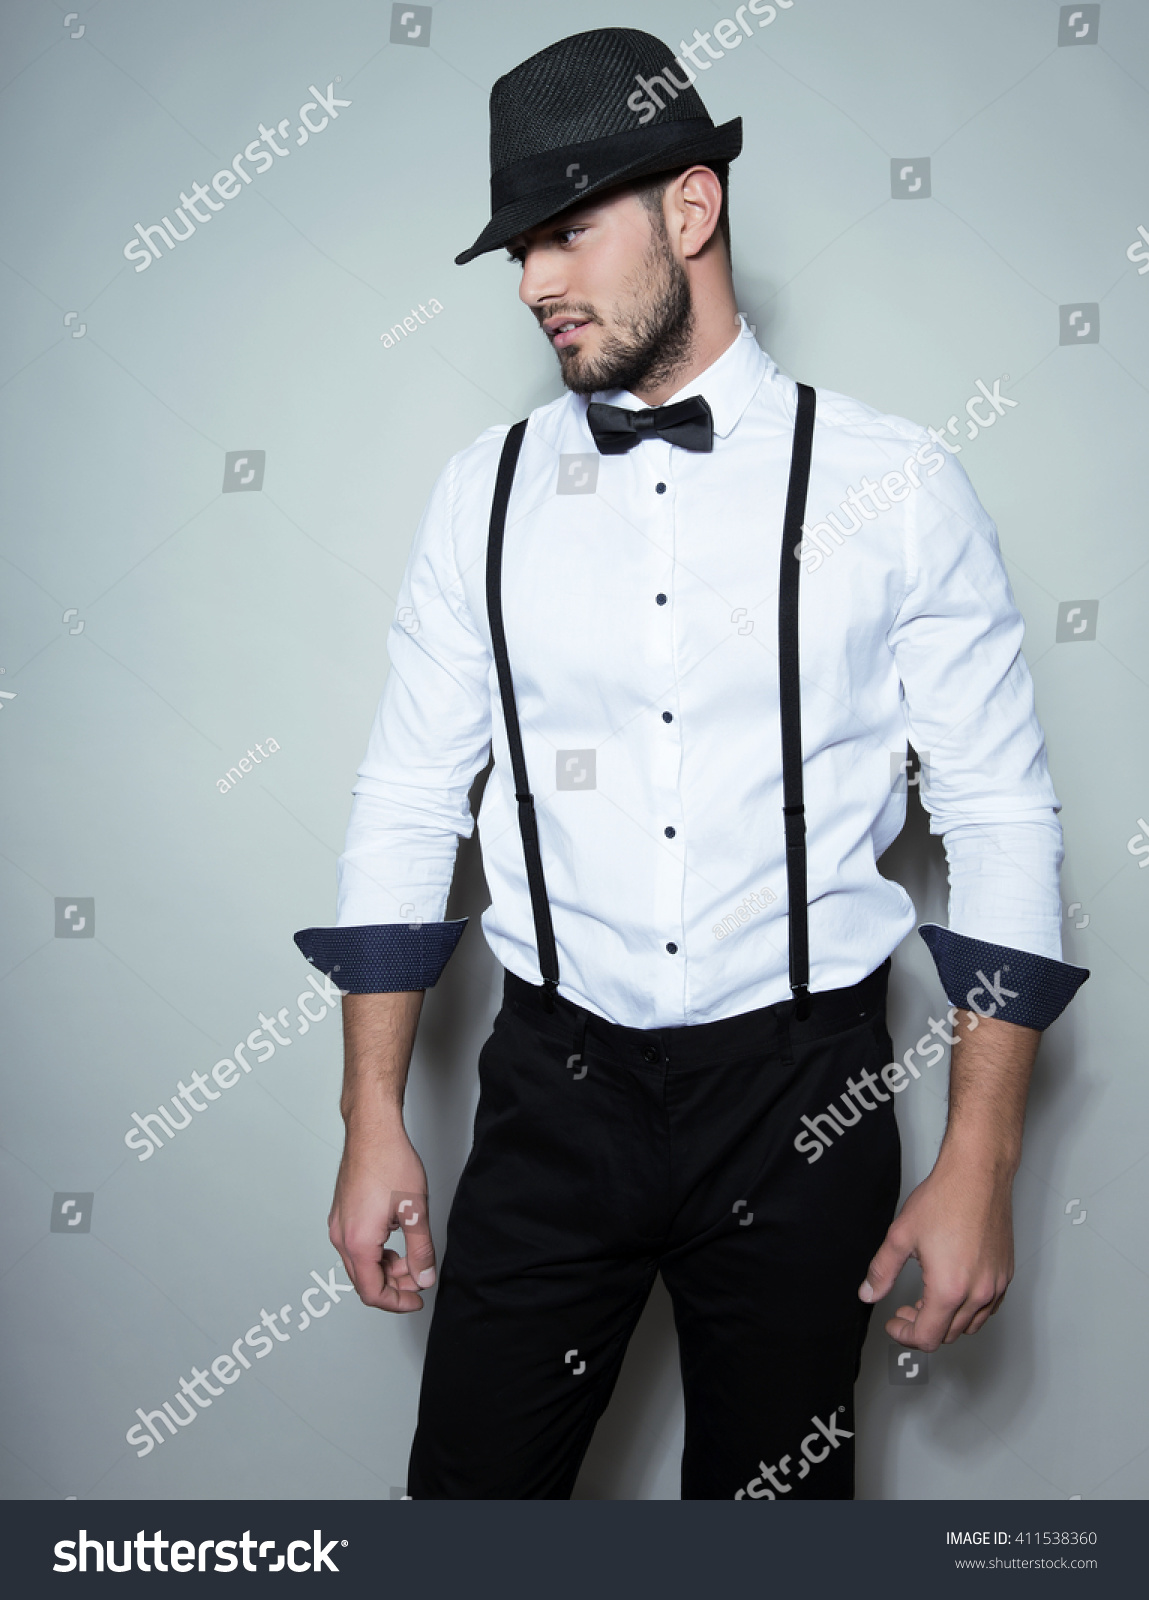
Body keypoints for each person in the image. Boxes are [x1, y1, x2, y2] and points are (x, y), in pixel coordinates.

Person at [295, 27, 1088, 1500]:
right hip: (550, 1085)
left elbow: (996, 816)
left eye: (563, 230)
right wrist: (371, 1125)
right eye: (518, 245)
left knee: (775, 1529)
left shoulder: (898, 486)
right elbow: (409, 801)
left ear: (690, 208)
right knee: (464, 1516)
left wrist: (978, 1164)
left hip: (805, 1099)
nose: (532, 284)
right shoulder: (482, 492)